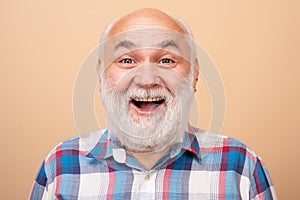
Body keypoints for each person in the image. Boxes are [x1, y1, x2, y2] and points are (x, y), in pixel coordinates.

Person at [30, 8, 277, 200]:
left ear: (194, 73)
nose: (147, 80)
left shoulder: (242, 166)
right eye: (126, 60)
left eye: (167, 60)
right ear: (101, 74)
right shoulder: (61, 165)